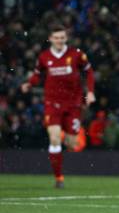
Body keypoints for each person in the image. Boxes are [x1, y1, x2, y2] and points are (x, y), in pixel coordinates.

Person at [21, 25, 96, 188]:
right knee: (54, 139)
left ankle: (66, 132)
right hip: (52, 103)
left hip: (74, 104)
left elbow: (89, 72)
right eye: (56, 38)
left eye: (62, 37)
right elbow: (37, 74)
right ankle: (58, 177)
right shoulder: (44, 57)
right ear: (50, 39)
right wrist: (29, 84)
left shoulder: (76, 55)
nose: (59, 40)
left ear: (66, 38)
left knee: (72, 144)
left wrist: (90, 92)